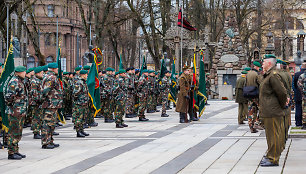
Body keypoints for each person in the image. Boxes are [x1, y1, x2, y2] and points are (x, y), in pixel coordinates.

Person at [259, 54, 288, 167]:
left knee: (274, 136)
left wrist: (281, 105)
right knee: (271, 136)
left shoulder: (273, 75)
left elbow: (282, 92)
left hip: (273, 110)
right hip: (269, 110)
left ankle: (273, 159)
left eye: (264, 62)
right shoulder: (268, 75)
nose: (262, 64)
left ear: (269, 64)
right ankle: (271, 155)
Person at [4, 66, 28, 160]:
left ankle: (16, 151)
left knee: (18, 132)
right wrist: (14, 107)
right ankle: (11, 153)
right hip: (15, 112)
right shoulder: (14, 81)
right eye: (24, 72)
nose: (25, 73)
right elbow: (9, 97)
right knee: (13, 132)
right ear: (19, 72)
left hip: (20, 111)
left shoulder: (20, 81)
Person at [41, 63, 63, 149]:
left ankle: (50, 141)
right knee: (47, 124)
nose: (58, 70)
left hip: (53, 104)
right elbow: (46, 91)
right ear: (53, 69)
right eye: (57, 68)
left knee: (51, 124)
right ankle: (45, 142)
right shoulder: (51, 77)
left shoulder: (49, 76)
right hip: (50, 104)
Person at [245, 61, 262, 133]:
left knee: (251, 110)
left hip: (249, 94)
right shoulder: (257, 74)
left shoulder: (248, 74)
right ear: (257, 67)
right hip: (256, 94)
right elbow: (261, 84)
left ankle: (251, 126)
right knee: (262, 108)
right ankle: (257, 122)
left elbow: (245, 84)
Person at [73, 70, 90, 137]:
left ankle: (81, 130)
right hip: (79, 103)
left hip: (84, 103)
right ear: (83, 75)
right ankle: (78, 131)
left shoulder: (83, 82)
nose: (87, 76)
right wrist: (79, 99)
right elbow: (75, 93)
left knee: (83, 117)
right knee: (79, 118)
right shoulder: (79, 82)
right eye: (86, 74)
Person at [30, 66, 44, 139]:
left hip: (38, 102)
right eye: (41, 73)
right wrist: (39, 99)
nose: (42, 74)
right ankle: (36, 132)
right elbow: (34, 93)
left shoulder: (38, 80)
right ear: (38, 73)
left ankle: (38, 131)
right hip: (35, 103)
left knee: (39, 117)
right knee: (36, 118)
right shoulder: (34, 81)